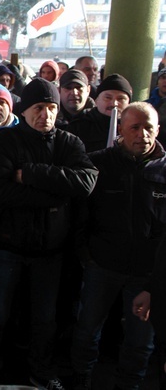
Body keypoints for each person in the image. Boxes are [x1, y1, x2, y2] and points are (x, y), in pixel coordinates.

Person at [0, 78, 98, 389]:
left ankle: (42, 370)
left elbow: (85, 183)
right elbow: (0, 192)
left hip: (50, 252)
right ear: (25, 109)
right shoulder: (5, 142)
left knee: (45, 319)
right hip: (7, 247)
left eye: (51, 108)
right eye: (38, 108)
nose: (45, 114)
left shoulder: (69, 144)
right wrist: (57, 195)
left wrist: (30, 174)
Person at [71, 102, 166, 390]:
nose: (142, 134)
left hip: (148, 275)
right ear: (121, 130)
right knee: (87, 331)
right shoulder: (99, 163)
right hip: (102, 265)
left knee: (140, 342)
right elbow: (79, 214)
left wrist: (156, 279)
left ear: (158, 129)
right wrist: (86, 255)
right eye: (134, 127)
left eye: (148, 127)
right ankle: (80, 380)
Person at [66, 73, 132, 152]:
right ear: (97, 100)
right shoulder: (80, 125)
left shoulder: (134, 126)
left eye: (121, 99)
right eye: (108, 98)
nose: (114, 103)